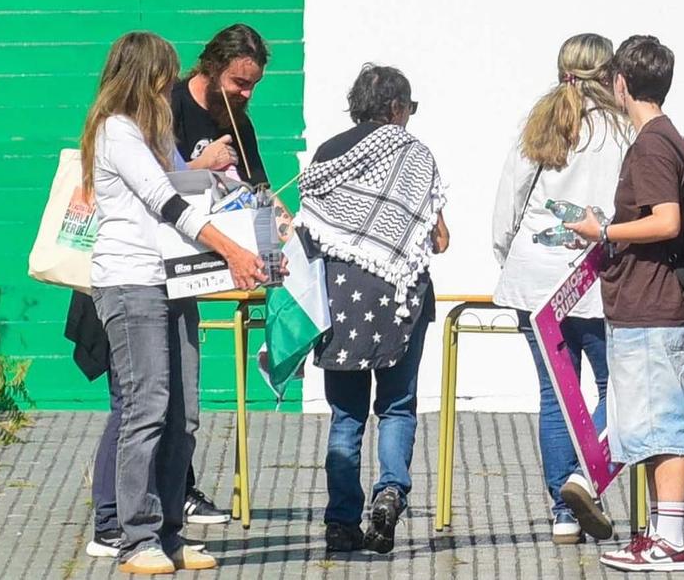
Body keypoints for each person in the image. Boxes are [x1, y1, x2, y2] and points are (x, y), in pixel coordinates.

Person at [83, 31, 269, 576]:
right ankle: (134, 536)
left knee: (182, 414)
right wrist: (231, 249)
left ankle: (169, 533)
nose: (170, 85)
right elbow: (165, 201)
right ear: (143, 77)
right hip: (130, 281)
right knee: (146, 407)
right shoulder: (117, 130)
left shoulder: (155, 132)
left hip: (171, 281)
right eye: (164, 75)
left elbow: (189, 185)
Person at [297, 64, 448, 556]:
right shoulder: (413, 154)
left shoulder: (327, 154)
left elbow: (310, 228)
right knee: (397, 406)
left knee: (346, 415)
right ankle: (390, 492)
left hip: (340, 301)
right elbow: (439, 237)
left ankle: (341, 523)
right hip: (400, 300)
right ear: (397, 108)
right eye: (410, 109)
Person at [563, 35, 684, 574]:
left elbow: (667, 220)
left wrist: (604, 231)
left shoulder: (651, 145)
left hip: (653, 305)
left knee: (664, 426)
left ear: (621, 84)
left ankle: (671, 540)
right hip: (649, 303)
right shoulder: (668, 138)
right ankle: (657, 535)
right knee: (649, 427)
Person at [491, 33, 631, 543]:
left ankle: (563, 513)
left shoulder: (539, 123)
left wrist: (509, 261)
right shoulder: (622, 131)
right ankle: (584, 478)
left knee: (555, 395)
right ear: (609, 73)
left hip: (533, 280)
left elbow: (507, 207)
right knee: (619, 387)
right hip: (595, 280)